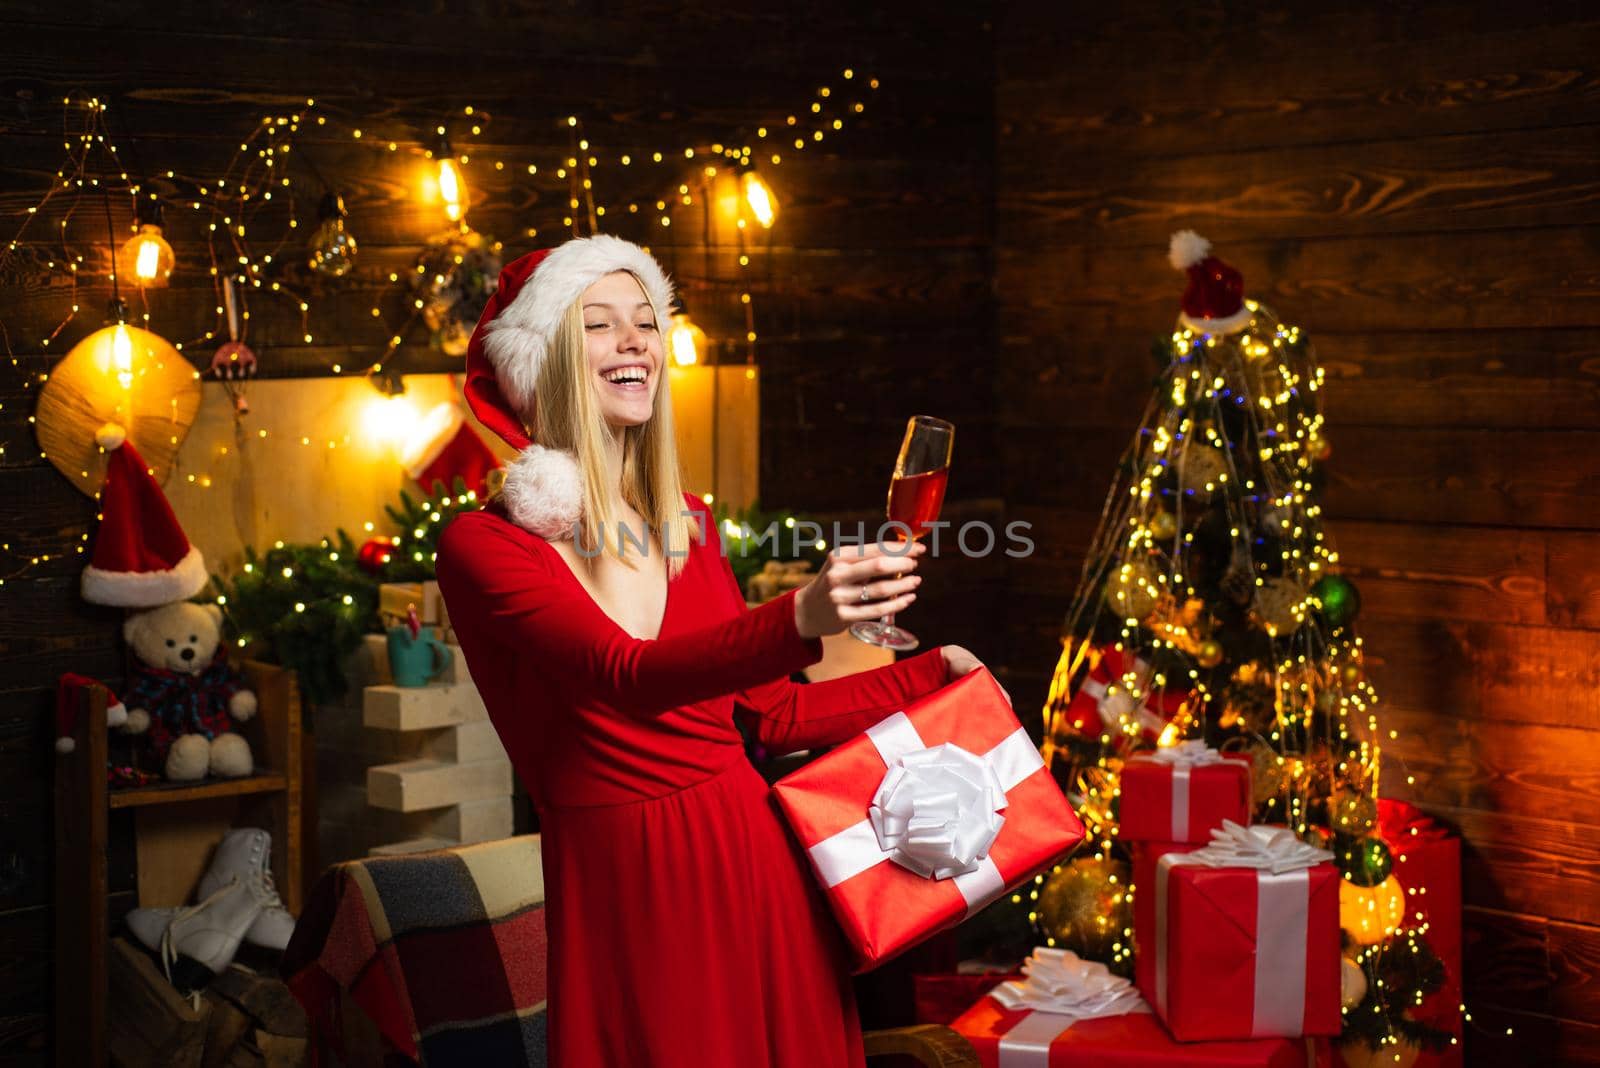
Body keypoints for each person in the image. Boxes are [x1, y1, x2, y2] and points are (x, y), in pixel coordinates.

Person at [435, 234, 1001, 1067]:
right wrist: (800, 617)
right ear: (543, 361)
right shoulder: (487, 547)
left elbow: (770, 718)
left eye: (647, 322)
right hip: (632, 887)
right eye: (599, 324)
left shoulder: (687, 525)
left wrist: (931, 675)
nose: (635, 340)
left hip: (755, 860)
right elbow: (624, 676)